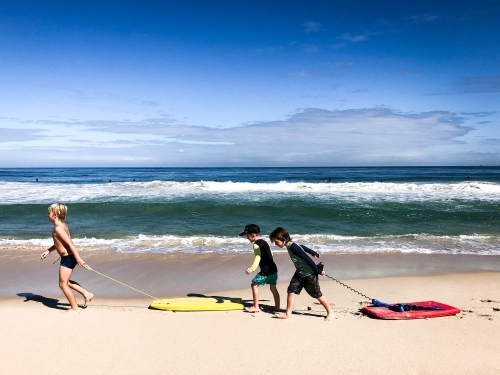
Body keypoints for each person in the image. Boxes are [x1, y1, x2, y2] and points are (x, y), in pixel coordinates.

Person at [269, 227, 333, 321]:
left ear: (283, 240)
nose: (275, 244)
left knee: (317, 294)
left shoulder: (293, 247)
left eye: (276, 241)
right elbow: (302, 247)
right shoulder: (290, 245)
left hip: (309, 274)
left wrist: (318, 270)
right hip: (299, 273)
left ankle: (331, 312)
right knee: (291, 290)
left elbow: (307, 259)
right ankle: (288, 314)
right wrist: (313, 252)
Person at [40, 203, 93, 311]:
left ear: (55, 215)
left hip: (68, 258)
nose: (47, 215)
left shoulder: (58, 228)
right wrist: (49, 250)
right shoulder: (61, 225)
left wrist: (78, 258)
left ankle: (74, 308)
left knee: (62, 284)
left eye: (49, 212)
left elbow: (69, 244)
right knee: (66, 282)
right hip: (68, 257)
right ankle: (87, 294)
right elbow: (59, 243)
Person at [239, 224, 280, 313]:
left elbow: (258, 257)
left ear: (253, 235)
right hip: (273, 269)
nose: (247, 238)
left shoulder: (256, 245)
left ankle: (255, 306)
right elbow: (271, 253)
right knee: (273, 288)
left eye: (247, 236)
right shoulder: (264, 242)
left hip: (266, 271)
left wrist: (252, 268)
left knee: (254, 285)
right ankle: (277, 307)